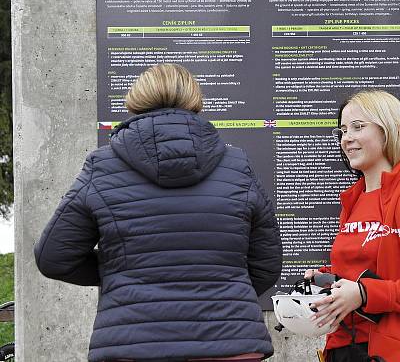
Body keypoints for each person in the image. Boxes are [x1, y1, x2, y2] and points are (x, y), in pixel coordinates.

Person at [34, 63, 282, 362]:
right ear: (194, 99)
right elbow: (267, 263)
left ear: (135, 99)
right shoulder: (236, 165)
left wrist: (121, 271)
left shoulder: (102, 167)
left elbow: (54, 257)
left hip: (133, 345)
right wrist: (221, 286)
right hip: (229, 345)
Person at [305, 90, 400, 362]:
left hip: (394, 352)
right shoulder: (352, 202)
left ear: (388, 132)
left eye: (357, 127)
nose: (346, 138)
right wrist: (326, 279)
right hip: (343, 349)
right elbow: (360, 271)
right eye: (342, 130)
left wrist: (363, 293)